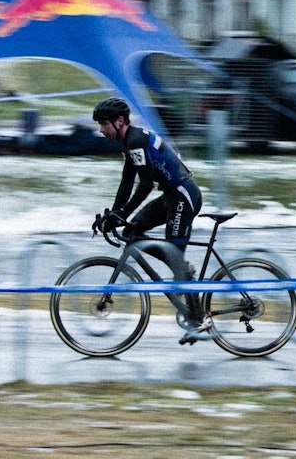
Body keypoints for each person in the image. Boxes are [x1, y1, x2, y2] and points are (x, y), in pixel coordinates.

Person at [90, 97, 209, 343]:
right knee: (134, 231)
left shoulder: (136, 141)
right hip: (171, 196)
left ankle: (199, 318)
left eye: (103, 124)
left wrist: (121, 214)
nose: (101, 130)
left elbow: (145, 185)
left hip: (183, 196)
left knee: (175, 259)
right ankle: (182, 270)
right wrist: (115, 213)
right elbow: (126, 182)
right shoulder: (129, 142)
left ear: (119, 121)